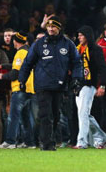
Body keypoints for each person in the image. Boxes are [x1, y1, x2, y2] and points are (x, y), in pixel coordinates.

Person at [18, 16, 83, 151]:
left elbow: (77, 63)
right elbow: (27, 63)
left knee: (55, 115)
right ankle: (46, 144)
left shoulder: (68, 44)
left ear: (59, 28)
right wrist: (22, 79)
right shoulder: (39, 44)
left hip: (60, 85)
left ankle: (50, 141)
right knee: (45, 115)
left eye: (53, 26)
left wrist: (77, 79)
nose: (51, 29)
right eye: (48, 26)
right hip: (43, 84)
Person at [0, 31, 34, 149]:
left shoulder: (20, 53)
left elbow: (16, 73)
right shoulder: (28, 52)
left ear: (15, 41)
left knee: (13, 115)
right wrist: (3, 66)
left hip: (20, 87)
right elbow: (15, 66)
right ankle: (29, 142)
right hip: (29, 88)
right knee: (25, 116)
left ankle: (10, 141)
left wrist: (1, 76)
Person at [73, 26, 106, 149]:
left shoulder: (95, 50)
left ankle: (82, 142)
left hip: (89, 84)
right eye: (78, 35)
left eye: (81, 35)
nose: (79, 37)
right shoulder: (77, 49)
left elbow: (103, 68)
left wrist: (102, 85)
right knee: (84, 114)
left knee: (83, 113)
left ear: (87, 35)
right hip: (78, 84)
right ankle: (101, 137)